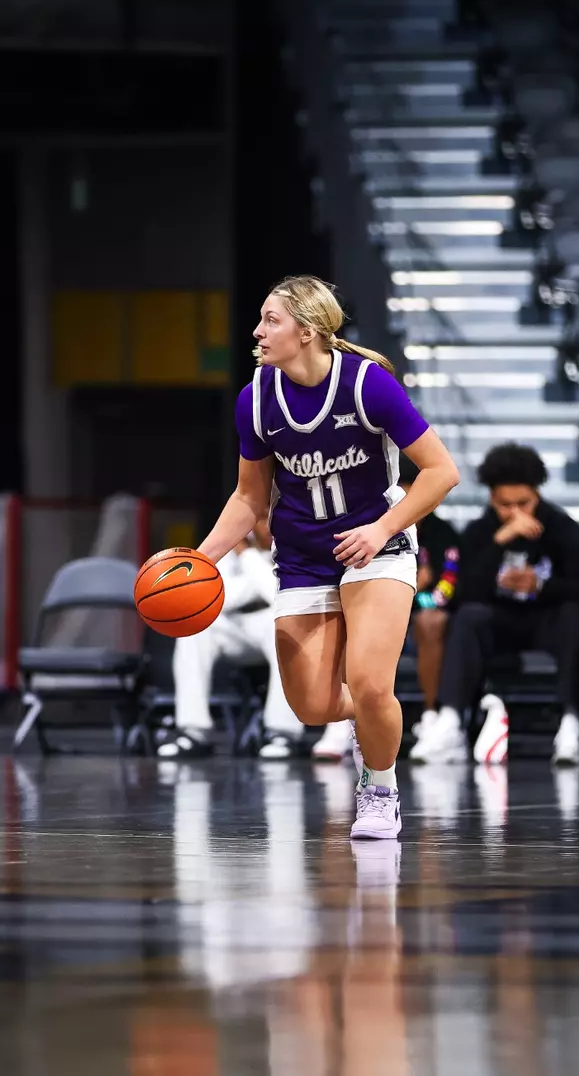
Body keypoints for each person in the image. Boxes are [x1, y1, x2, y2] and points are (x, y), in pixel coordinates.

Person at [195, 275, 458, 840]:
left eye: (271, 320)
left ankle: (380, 790)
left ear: (308, 331)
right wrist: (200, 559)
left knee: (368, 681)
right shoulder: (257, 400)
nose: (257, 331)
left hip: (376, 547)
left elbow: (441, 472)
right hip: (304, 556)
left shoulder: (369, 386)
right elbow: (249, 497)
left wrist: (381, 527)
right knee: (313, 708)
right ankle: (373, 718)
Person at [410, 442, 579, 767]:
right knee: (467, 617)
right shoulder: (481, 531)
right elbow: (463, 592)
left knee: (574, 616)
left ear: (537, 494)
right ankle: (451, 719)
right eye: (504, 504)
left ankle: (571, 723)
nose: (515, 513)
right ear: (492, 498)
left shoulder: (560, 527)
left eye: (523, 503)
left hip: (545, 618)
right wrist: (499, 543)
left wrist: (541, 585)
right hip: (501, 621)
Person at [314, 456, 459, 762]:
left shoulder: (443, 535)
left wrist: (413, 592)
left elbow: (447, 593)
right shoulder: (362, 527)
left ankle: (432, 716)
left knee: (433, 622)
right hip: (372, 608)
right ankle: (343, 720)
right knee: (344, 615)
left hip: (418, 612)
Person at [157, 518, 305, 759]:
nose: (270, 526)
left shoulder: (295, 547)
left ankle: (282, 734)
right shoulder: (229, 546)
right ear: (252, 524)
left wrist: (248, 558)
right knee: (197, 627)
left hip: (272, 625)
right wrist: (259, 578)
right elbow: (216, 598)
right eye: (263, 520)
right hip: (235, 628)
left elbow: (277, 597)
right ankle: (193, 731)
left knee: (281, 625)